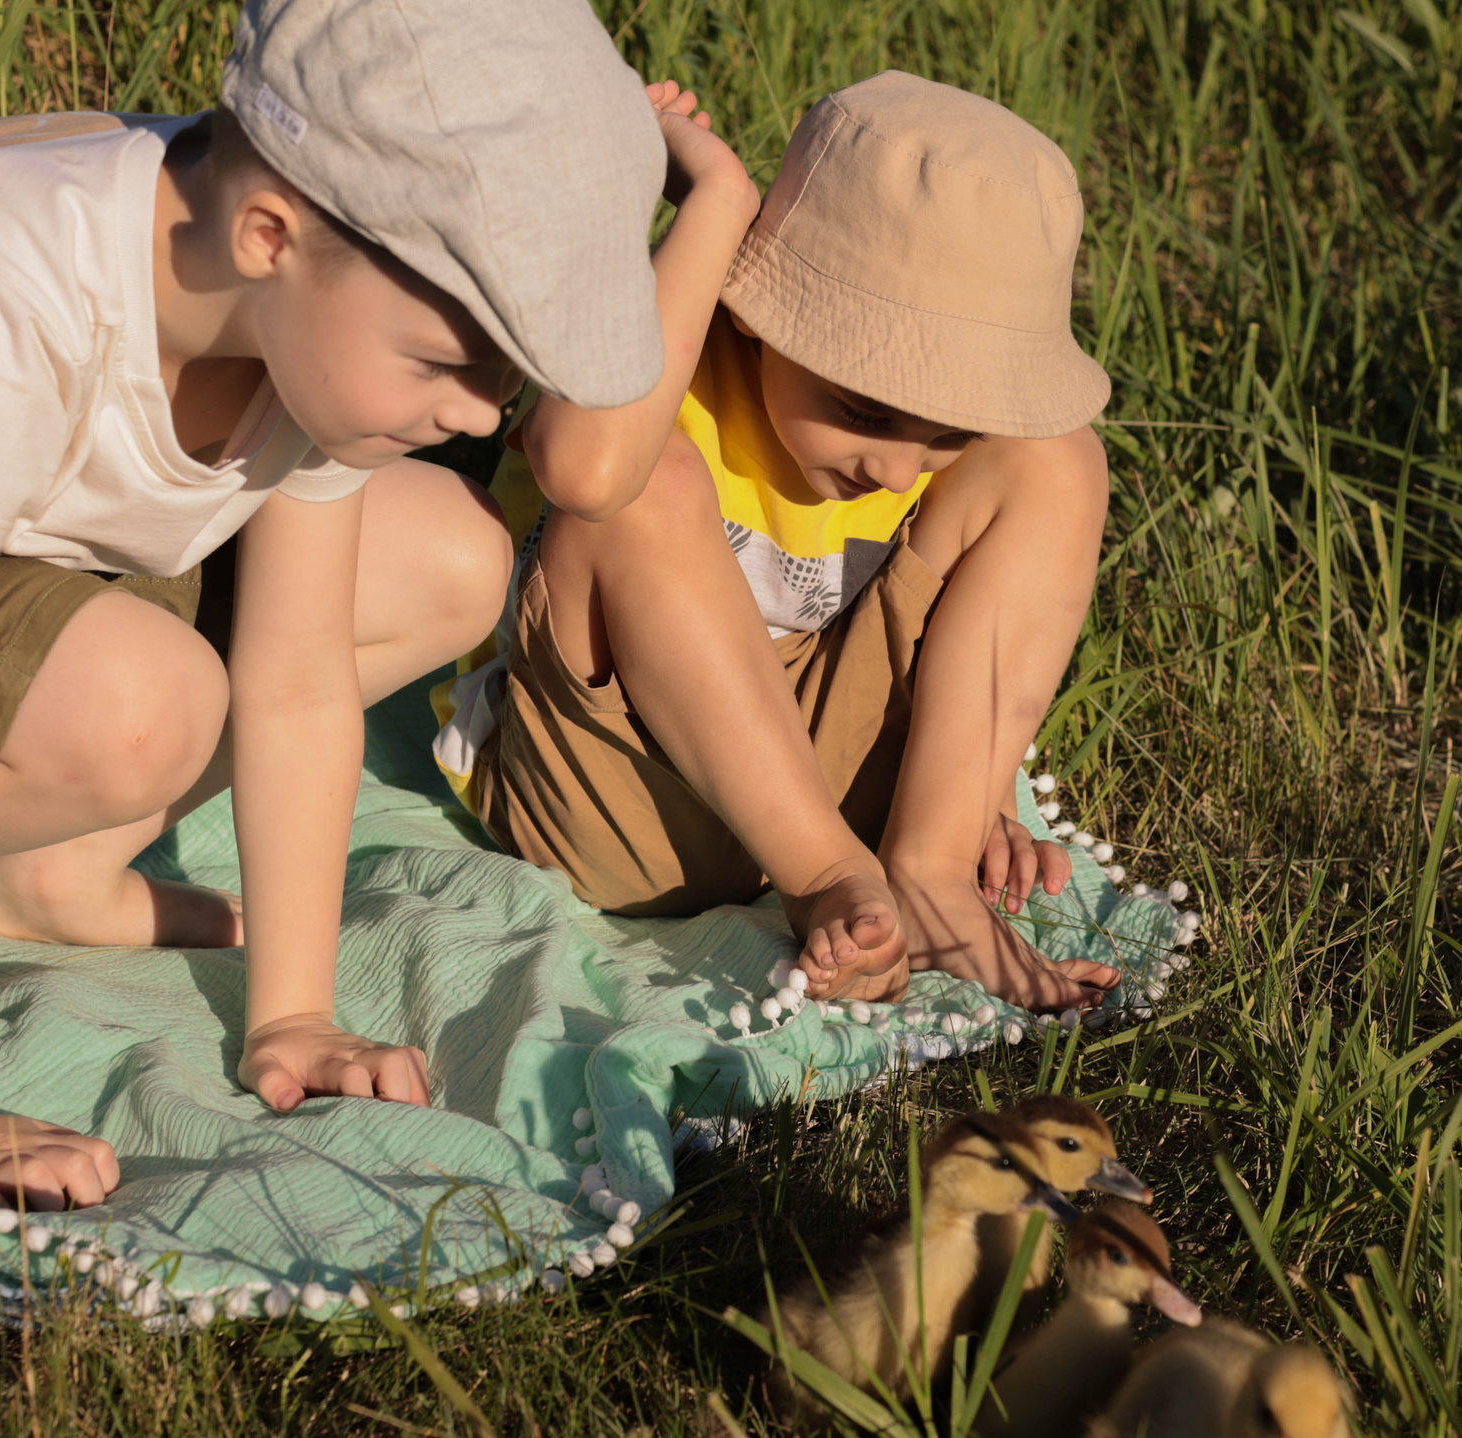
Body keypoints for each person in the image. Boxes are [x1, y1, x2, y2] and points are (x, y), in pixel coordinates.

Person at [0, 0, 666, 1208]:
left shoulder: (305, 297)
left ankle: (39, 868)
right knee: (148, 704)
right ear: (268, 233)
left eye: (505, 377)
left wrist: (291, 1014)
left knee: (448, 553)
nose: (478, 416)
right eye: (449, 362)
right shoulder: (0, 293)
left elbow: (297, 682)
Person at [436, 71, 1122, 1010]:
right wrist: (718, 203)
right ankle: (831, 875)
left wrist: (980, 786)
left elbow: (979, 517)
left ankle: (928, 864)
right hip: (615, 789)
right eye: (863, 410)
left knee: (1058, 461)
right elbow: (584, 471)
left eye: (947, 434)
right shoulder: (669, 344)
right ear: (761, 314)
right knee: (641, 485)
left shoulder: (902, 449)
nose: (898, 469)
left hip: (824, 750)